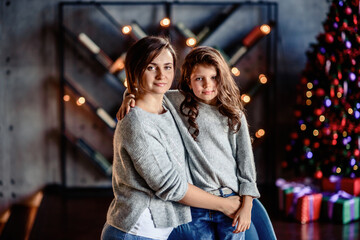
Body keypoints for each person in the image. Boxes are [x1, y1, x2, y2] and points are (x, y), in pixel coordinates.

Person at [101, 36, 242, 240]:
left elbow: (210, 92)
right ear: (134, 70)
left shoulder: (169, 105)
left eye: (167, 67)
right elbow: (171, 186)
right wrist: (224, 204)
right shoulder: (137, 123)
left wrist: (129, 94)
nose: (161, 75)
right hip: (136, 232)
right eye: (151, 67)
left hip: (161, 230)